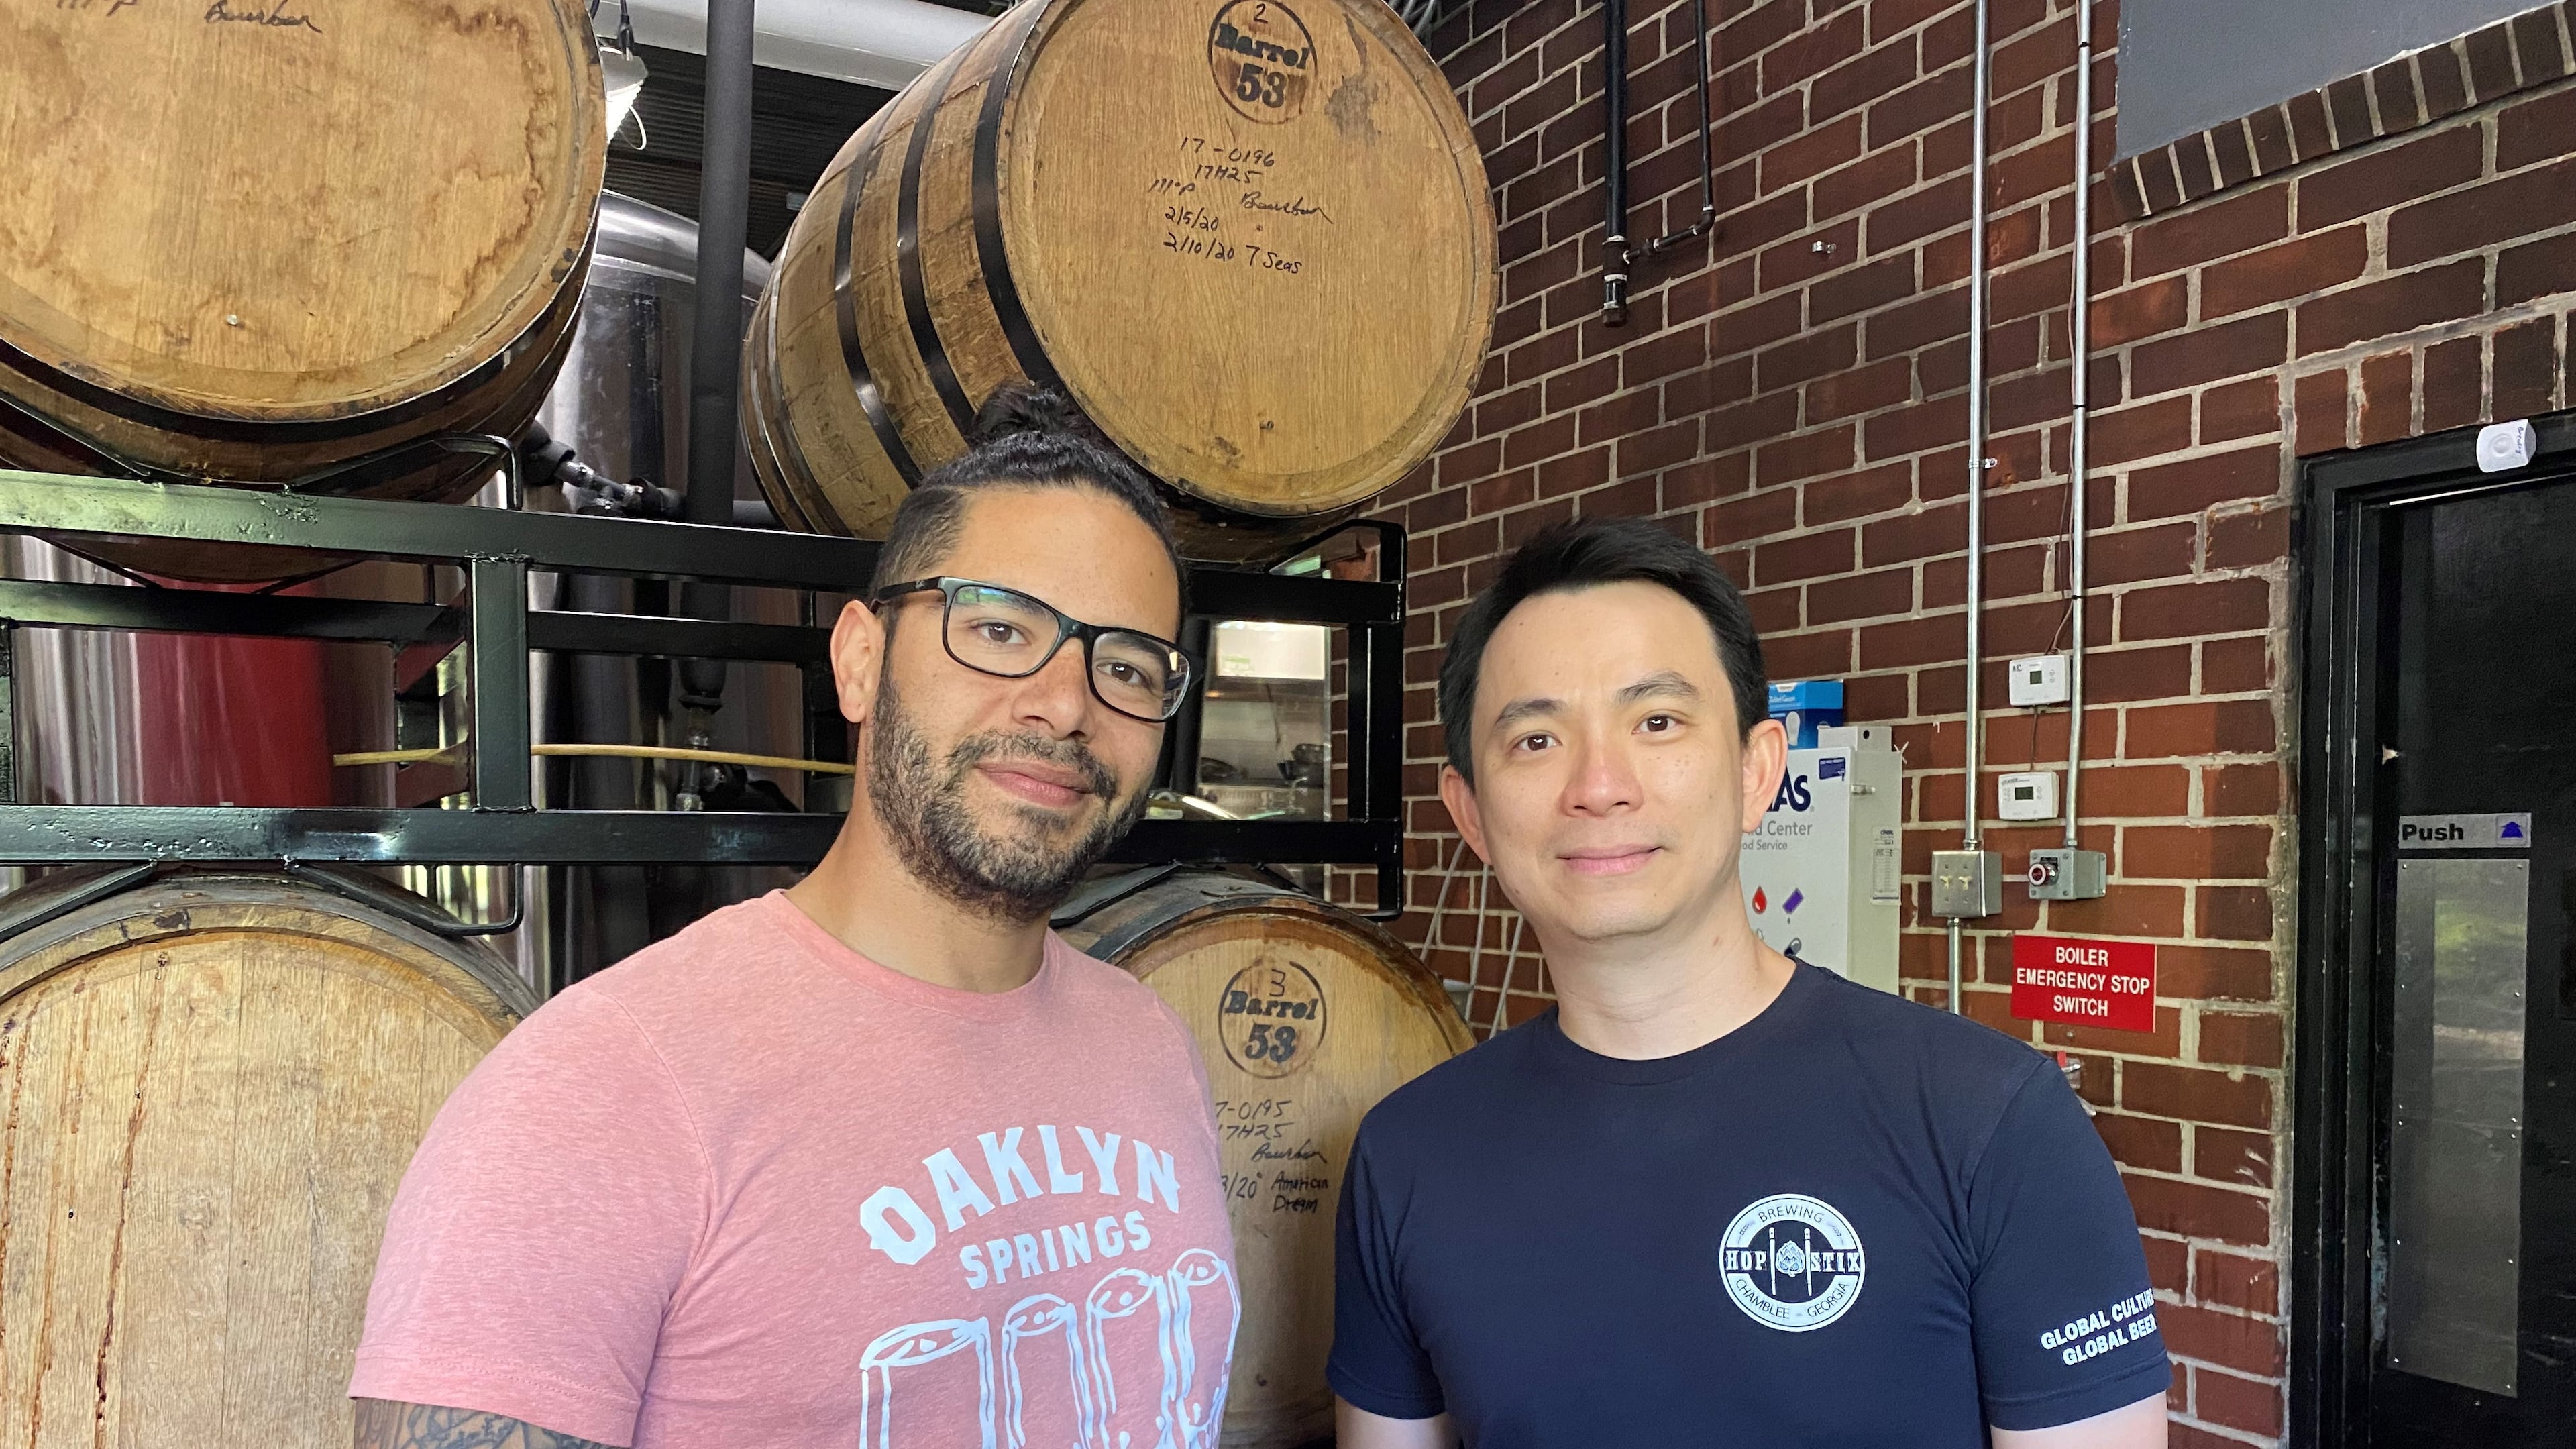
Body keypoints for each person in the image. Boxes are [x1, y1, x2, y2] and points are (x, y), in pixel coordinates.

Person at [351, 390, 1239, 1448]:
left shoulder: (1150, 1042)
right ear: (860, 659)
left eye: (1129, 666)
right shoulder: (598, 1093)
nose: (1065, 704)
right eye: (999, 627)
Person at [1329, 518, 2169, 1448]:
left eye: (1657, 722)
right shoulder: (1408, 1156)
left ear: (1757, 772)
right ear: (1471, 815)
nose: (1599, 785)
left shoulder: (1989, 1121)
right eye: (1534, 739)